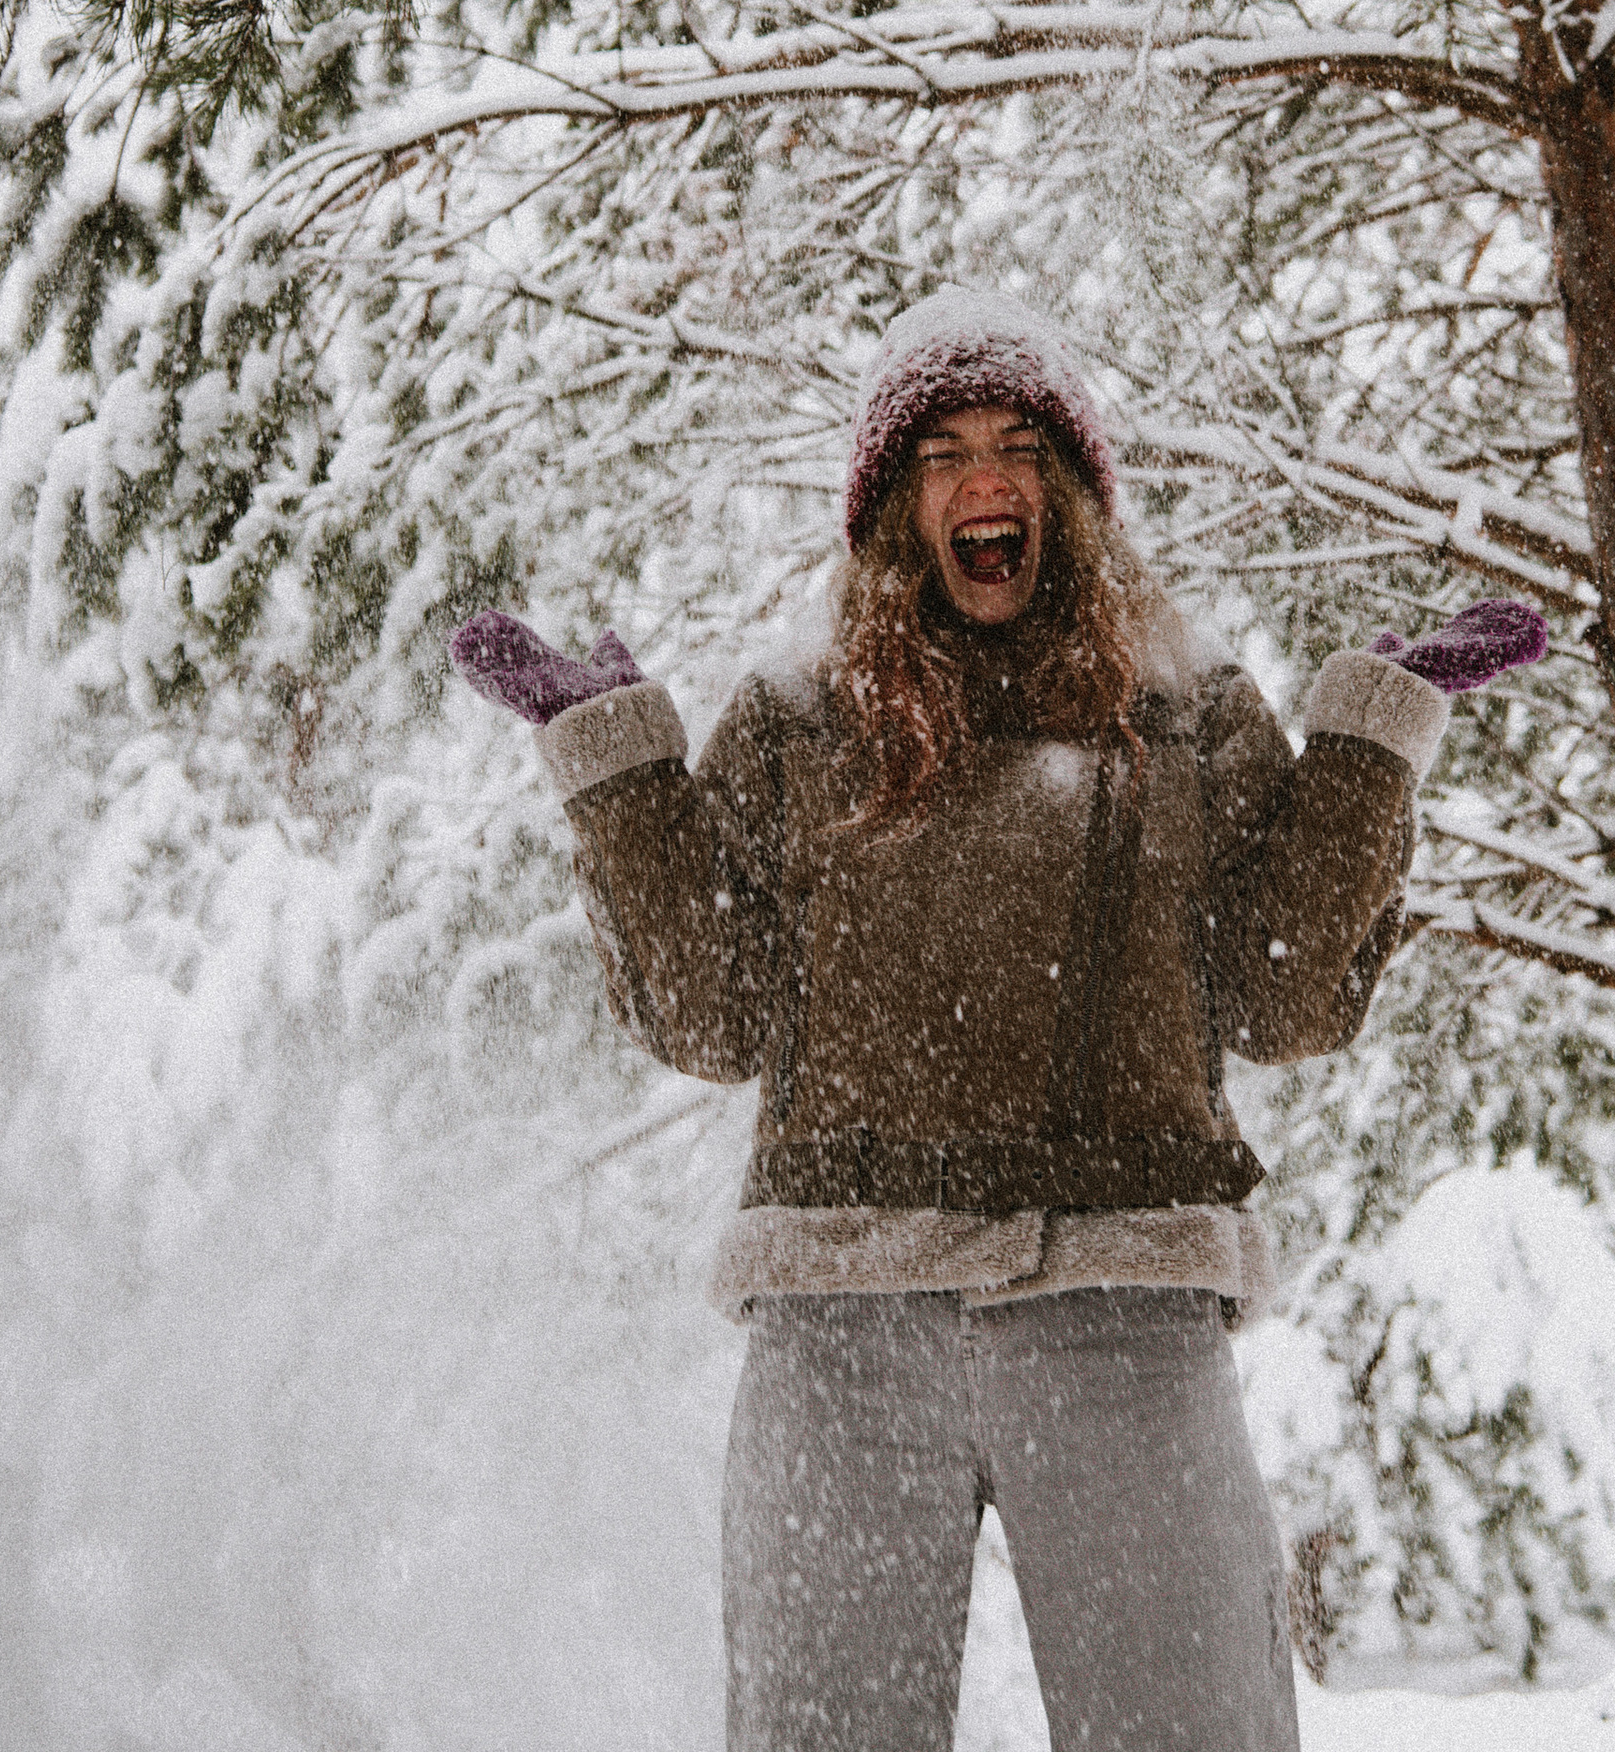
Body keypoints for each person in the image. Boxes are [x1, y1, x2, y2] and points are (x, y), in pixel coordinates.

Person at [450, 288, 1545, 1752]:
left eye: (1020, 448)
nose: (984, 482)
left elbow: (1285, 997)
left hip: (1124, 1307)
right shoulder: (797, 720)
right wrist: (624, 782)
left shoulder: (1187, 712)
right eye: (942, 452)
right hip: (842, 1321)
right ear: (895, 504)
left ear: (1071, 495)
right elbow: (711, 1016)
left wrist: (1366, 746)